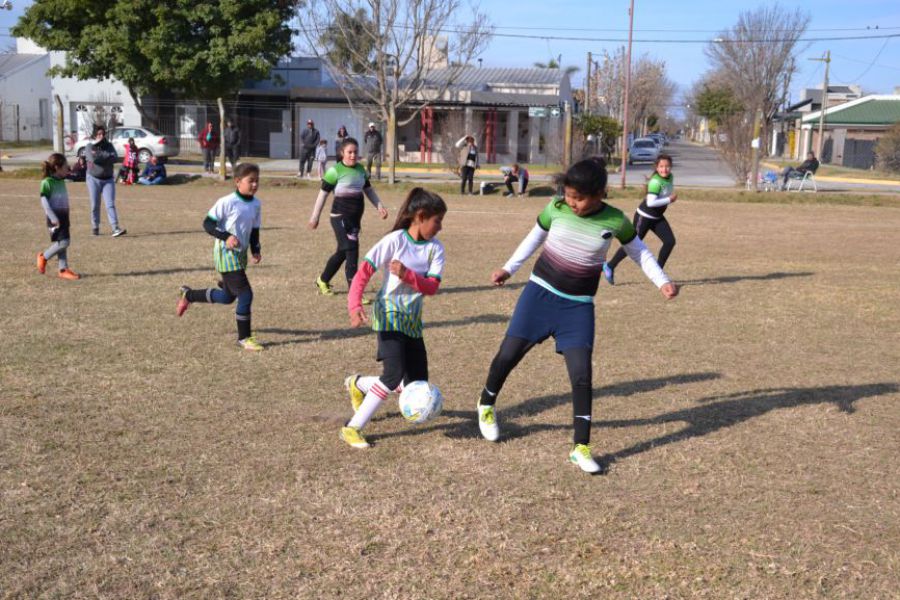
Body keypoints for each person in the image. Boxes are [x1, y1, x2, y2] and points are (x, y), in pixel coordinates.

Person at [475, 158, 678, 473]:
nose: (573, 203)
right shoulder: (556, 207)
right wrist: (508, 268)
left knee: (582, 375)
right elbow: (535, 236)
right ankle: (486, 404)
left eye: (579, 198)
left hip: (578, 306)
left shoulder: (615, 220)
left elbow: (639, 252)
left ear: (600, 194)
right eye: (569, 195)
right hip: (539, 295)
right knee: (508, 354)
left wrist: (662, 281)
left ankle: (580, 447)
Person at [340, 188, 447, 448]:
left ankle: (359, 384)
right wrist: (354, 305)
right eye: (437, 221)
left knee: (415, 384)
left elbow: (431, 288)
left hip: (412, 320)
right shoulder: (395, 241)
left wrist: (407, 274)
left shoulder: (436, 249)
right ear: (420, 216)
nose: (440, 227)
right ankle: (353, 427)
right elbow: (363, 273)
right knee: (393, 374)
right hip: (388, 313)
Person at [175, 163, 264, 352]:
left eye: (257, 181)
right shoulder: (227, 201)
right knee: (246, 295)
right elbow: (208, 224)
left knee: (227, 297)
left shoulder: (256, 204)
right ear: (238, 182)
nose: (255, 184)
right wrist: (227, 237)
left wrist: (255, 249)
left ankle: (188, 295)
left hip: (240, 255)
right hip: (225, 255)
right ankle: (244, 338)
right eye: (251, 181)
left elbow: (254, 230)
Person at [309, 137, 388, 296]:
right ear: (342, 153)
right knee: (351, 250)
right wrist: (315, 217)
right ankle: (355, 292)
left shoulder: (361, 170)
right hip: (339, 217)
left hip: (354, 219)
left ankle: (323, 280)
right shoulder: (335, 171)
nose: (353, 155)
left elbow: (369, 190)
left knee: (343, 252)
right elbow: (323, 194)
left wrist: (379, 206)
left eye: (355, 152)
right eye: (349, 152)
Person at [603, 153, 678, 285]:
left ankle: (658, 272)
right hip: (644, 217)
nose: (664, 169)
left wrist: (667, 198)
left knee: (670, 241)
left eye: (667, 166)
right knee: (632, 244)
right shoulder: (655, 181)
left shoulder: (670, 177)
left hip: (657, 217)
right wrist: (669, 199)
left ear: (670, 167)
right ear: (657, 167)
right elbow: (650, 203)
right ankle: (610, 265)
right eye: (661, 166)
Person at [36, 153, 80, 280]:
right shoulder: (47, 182)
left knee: (63, 242)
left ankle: (63, 269)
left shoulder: (60, 180)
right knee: (64, 242)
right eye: (65, 167)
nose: (68, 169)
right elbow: (44, 202)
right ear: (57, 167)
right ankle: (44, 257)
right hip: (55, 219)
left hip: (64, 218)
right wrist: (53, 217)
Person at [85, 125, 126, 237]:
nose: (101, 136)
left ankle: (115, 228)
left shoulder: (109, 145)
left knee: (110, 204)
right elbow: (94, 159)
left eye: (103, 134)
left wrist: (102, 156)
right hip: (93, 179)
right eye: (99, 134)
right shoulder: (89, 146)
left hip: (108, 179)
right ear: (95, 135)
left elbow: (115, 158)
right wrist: (106, 157)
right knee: (95, 204)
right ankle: (95, 226)